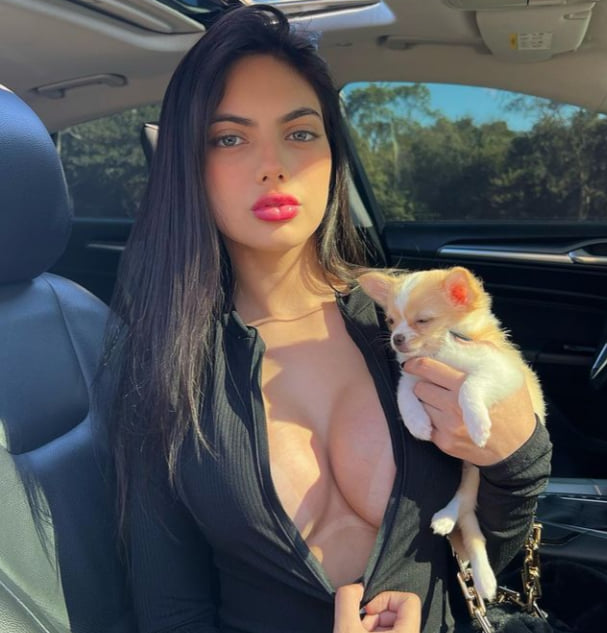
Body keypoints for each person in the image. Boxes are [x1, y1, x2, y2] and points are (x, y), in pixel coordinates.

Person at [99, 4, 552, 633]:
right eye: (229, 138)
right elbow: (171, 612)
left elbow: (487, 557)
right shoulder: (161, 363)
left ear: (332, 156)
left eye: (300, 133)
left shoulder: (402, 319)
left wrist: (518, 457)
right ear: (188, 164)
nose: (274, 165)